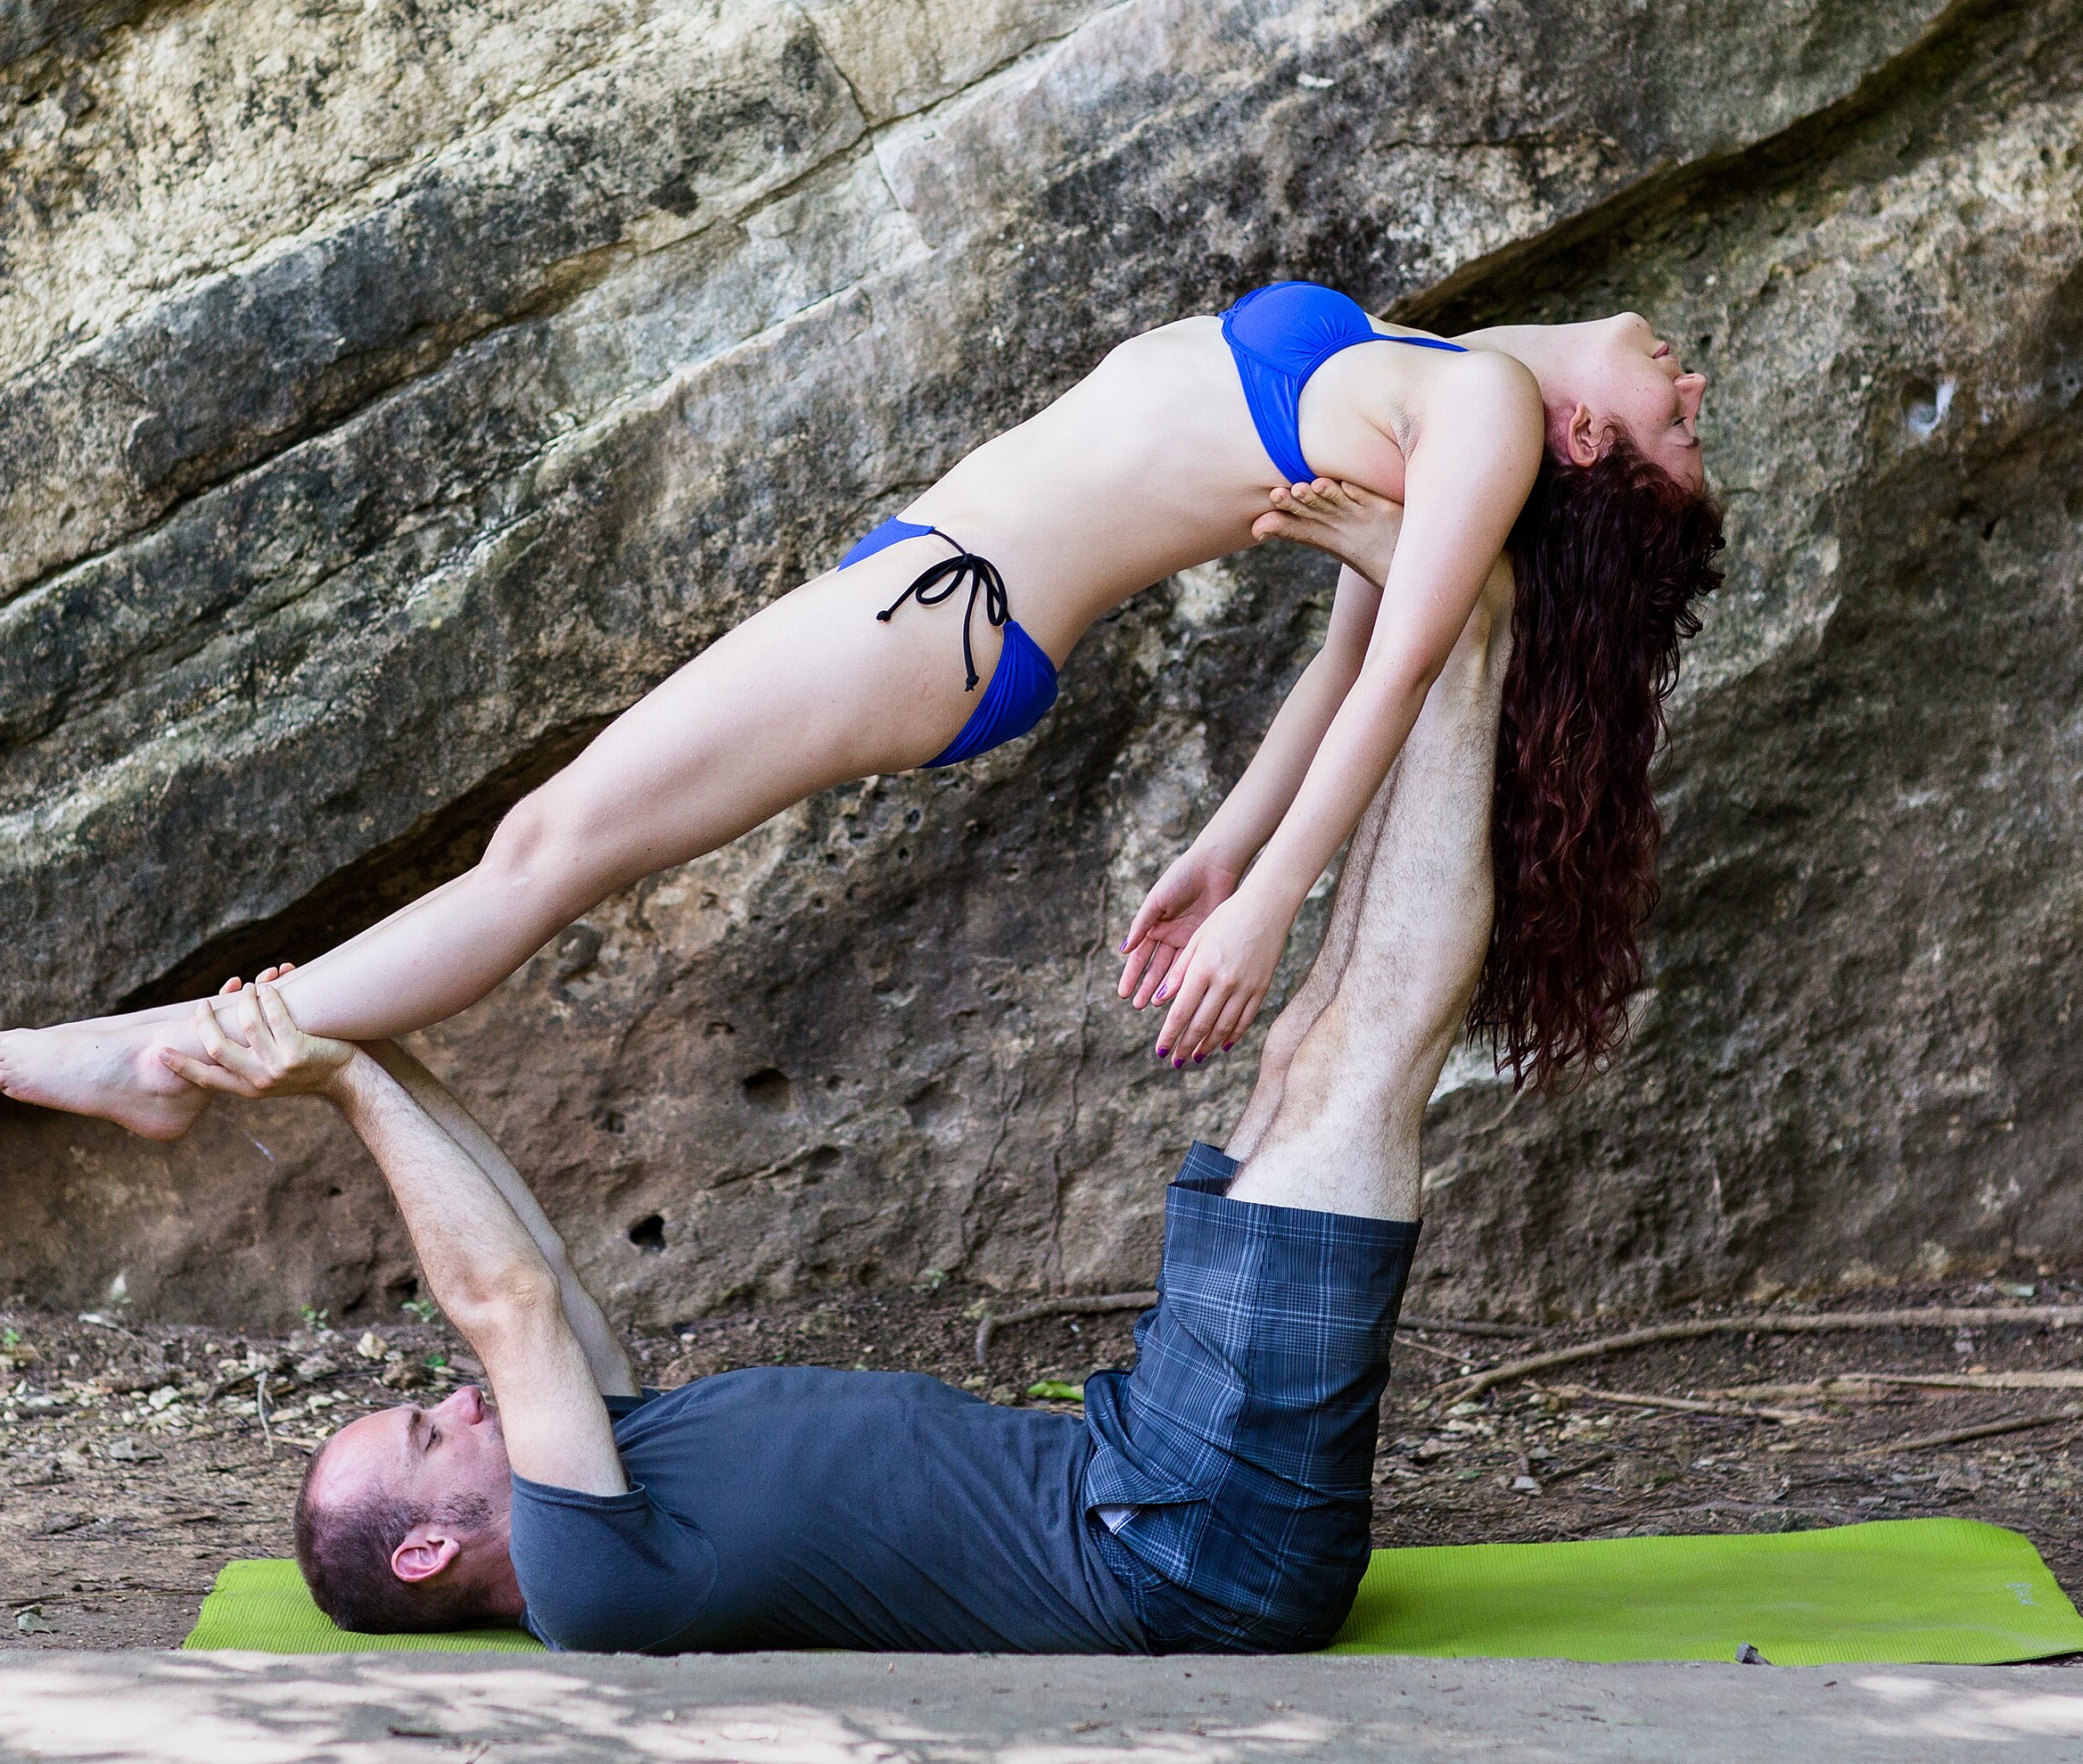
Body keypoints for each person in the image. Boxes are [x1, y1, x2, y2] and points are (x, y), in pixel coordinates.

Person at [153, 528, 1513, 1653]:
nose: (454, 1401)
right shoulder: (587, 1580)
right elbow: (501, 1301)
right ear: (431, 1542)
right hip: (1186, 1541)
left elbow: (543, 1270)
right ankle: (1479, 614)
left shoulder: (612, 1472)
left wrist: (357, 1056)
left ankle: (1434, 612)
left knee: (1308, 1053)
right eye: (424, 1430)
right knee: (1358, 1058)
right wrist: (333, 1065)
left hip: (1152, 1469)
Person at [0, 280, 1718, 1140]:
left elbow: (1400, 670)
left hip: (942, 616)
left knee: (540, 849)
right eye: (1689, 407)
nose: (1686, 382)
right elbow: (1339, 653)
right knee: (543, 846)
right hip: (935, 593)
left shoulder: (1483, 412)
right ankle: (196, 1041)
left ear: (1580, 447)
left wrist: (1266, 903)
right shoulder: (1446, 383)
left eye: (1676, 430)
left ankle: (176, 1051)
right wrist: (1213, 846)